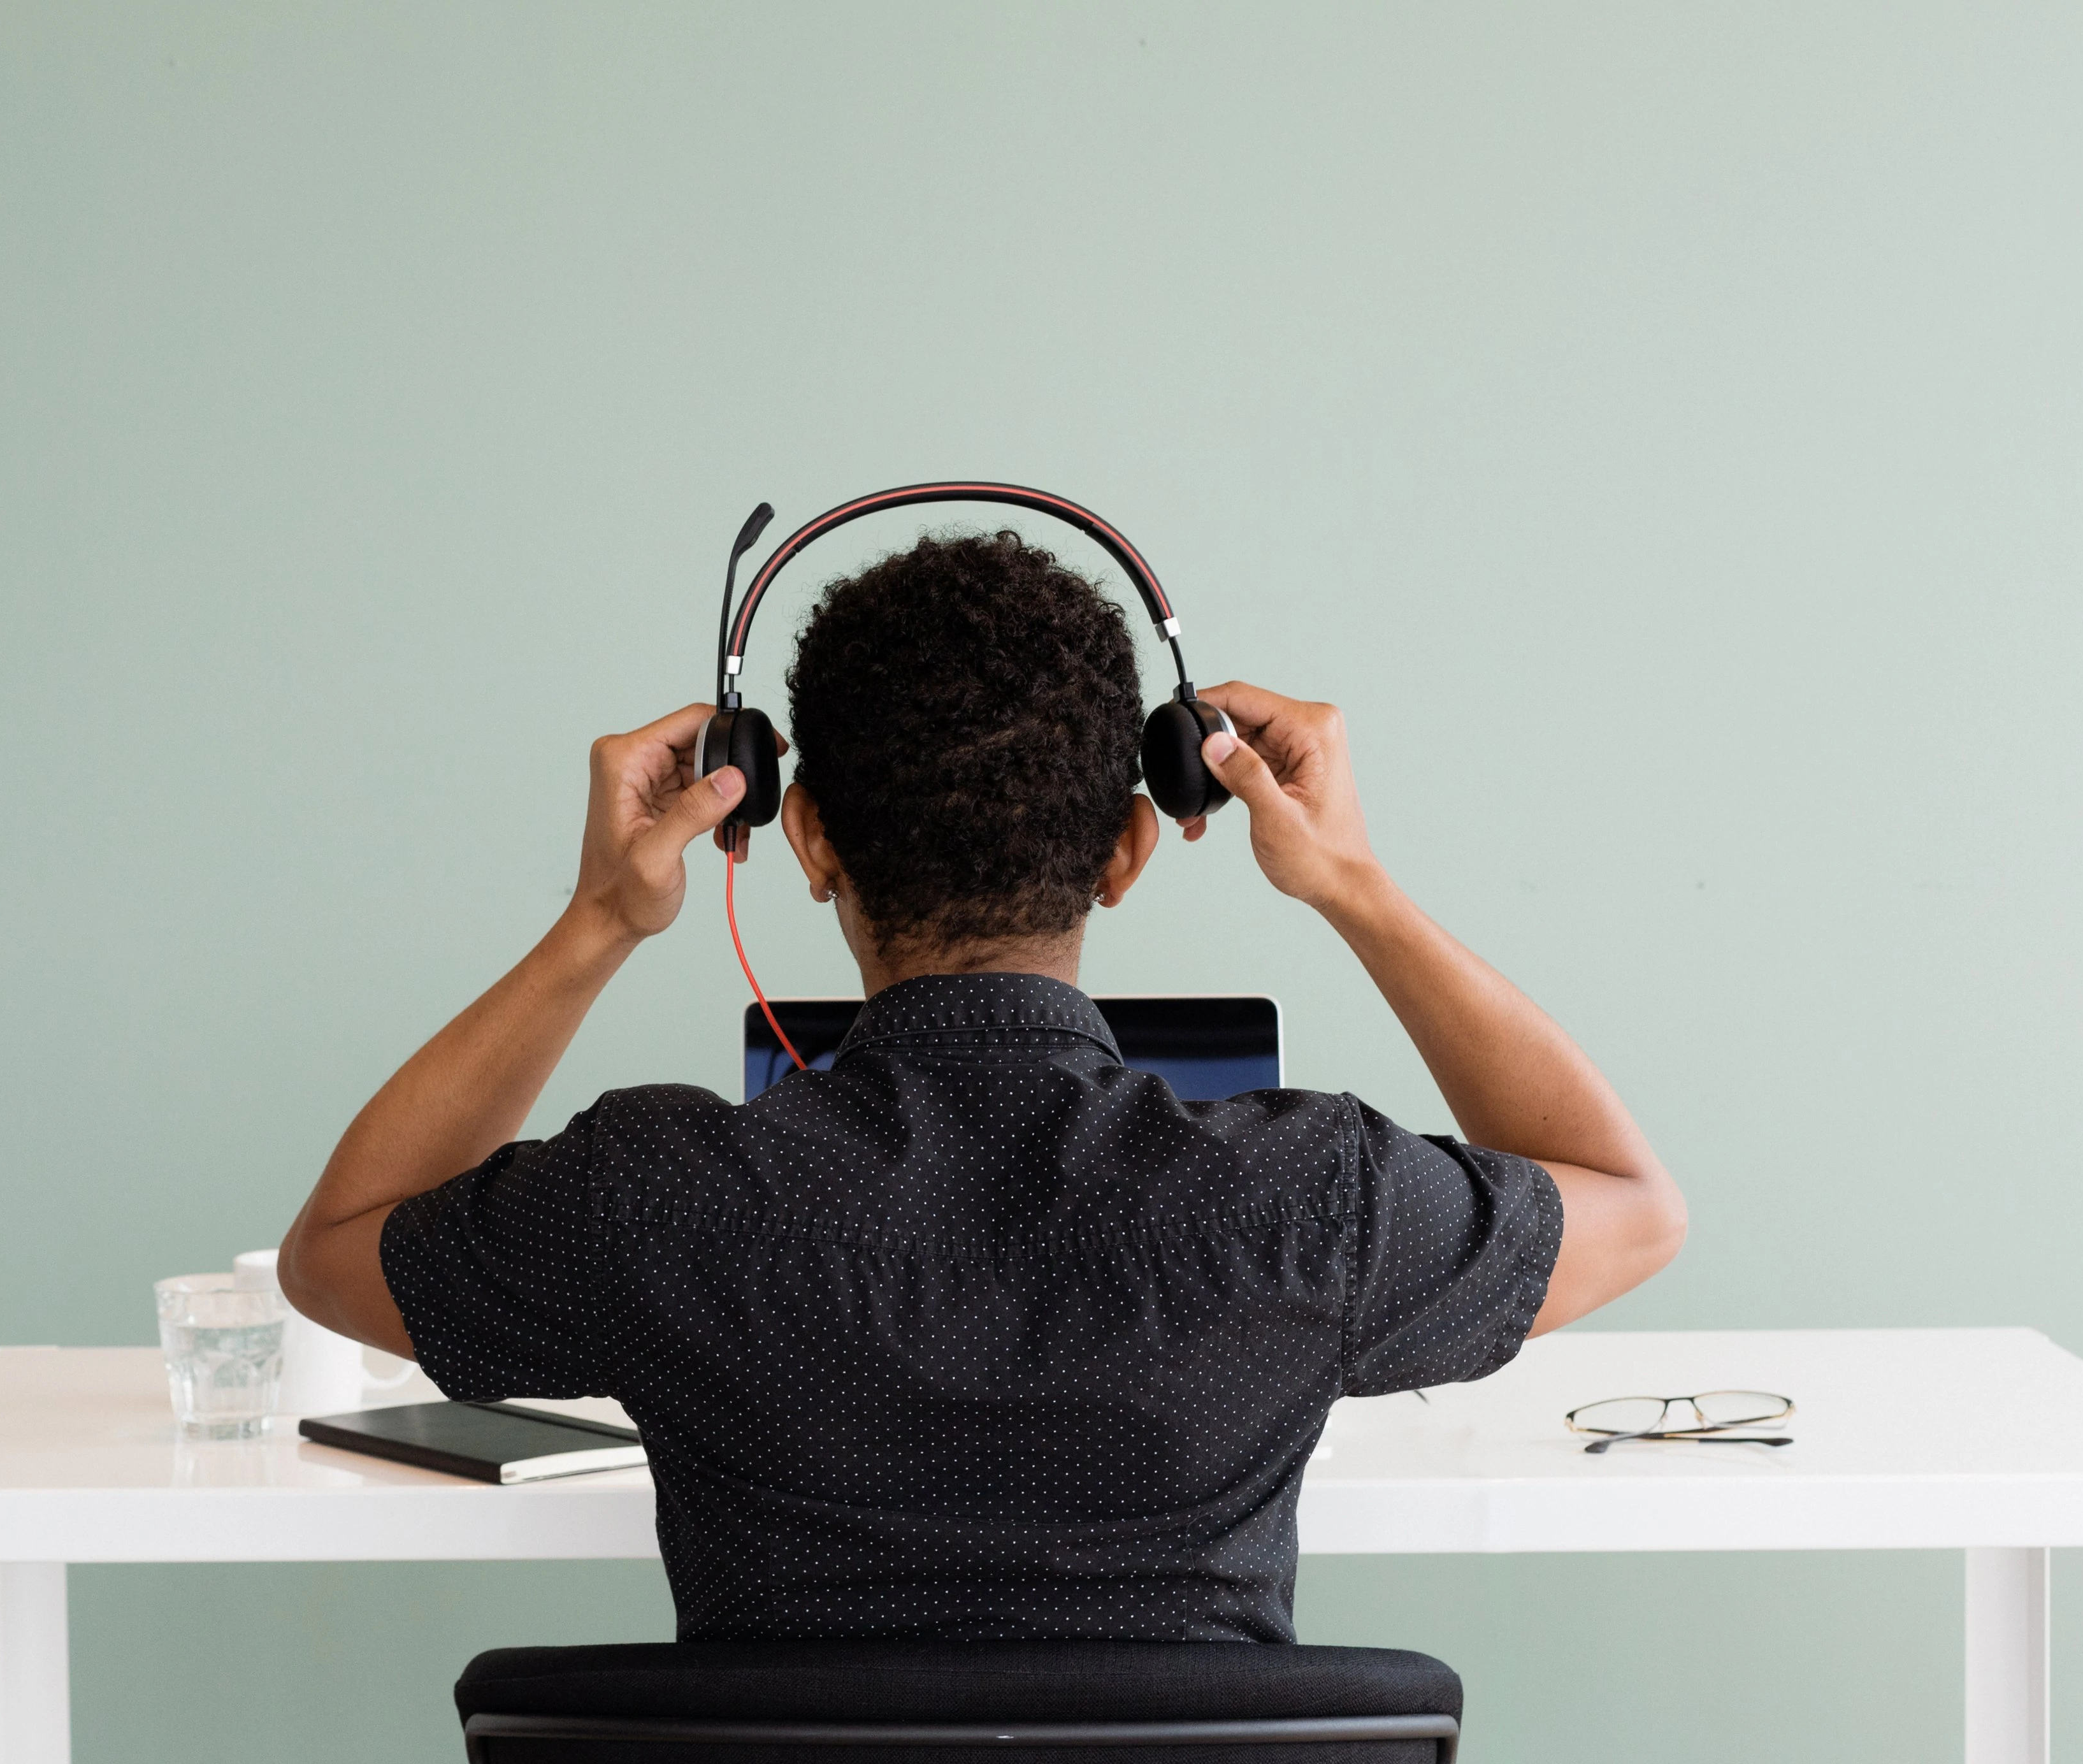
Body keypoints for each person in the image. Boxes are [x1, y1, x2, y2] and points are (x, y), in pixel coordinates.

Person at [277, 531, 1684, 1642]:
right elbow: (1632, 1204)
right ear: (1131, 851)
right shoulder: (1314, 1201)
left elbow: (334, 1251)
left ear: (805, 834)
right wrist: (1356, 888)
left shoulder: (655, 1199)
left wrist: (598, 919)